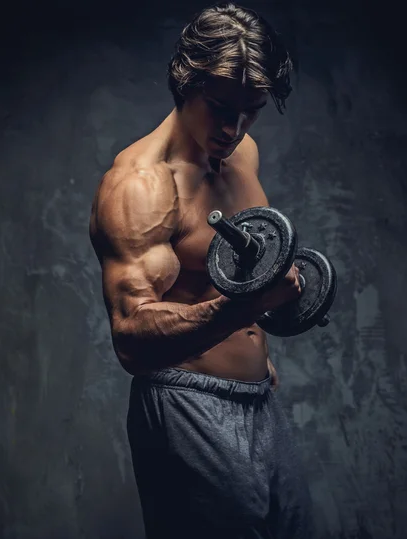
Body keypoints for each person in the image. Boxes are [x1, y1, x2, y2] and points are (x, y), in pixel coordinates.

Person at [89, 3, 312, 537]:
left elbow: (240, 272)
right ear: (184, 83)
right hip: (187, 404)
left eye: (251, 109)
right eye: (219, 107)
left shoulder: (243, 153)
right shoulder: (141, 186)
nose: (233, 127)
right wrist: (253, 303)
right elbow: (131, 338)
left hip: (260, 401)